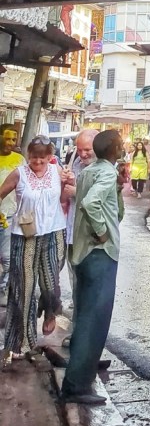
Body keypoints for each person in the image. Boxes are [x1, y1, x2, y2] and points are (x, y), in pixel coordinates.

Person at [61, 129, 124, 406]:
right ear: (114, 149)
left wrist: (117, 191)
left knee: (85, 316)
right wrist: (101, 232)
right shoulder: (106, 172)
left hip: (84, 253)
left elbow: (116, 212)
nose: (123, 148)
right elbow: (89, 203)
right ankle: (76, 386)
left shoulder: (89, 172)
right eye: (120, 145)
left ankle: (78, 377)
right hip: (101, 253)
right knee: (94, 320)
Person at [0, 136, 71, 366]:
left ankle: (50, 312)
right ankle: (22, 343)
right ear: (28, 155)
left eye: (43, 158)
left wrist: (68, 183)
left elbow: (63, 199)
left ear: (50, 156)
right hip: (25, 236)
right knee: (24, 288)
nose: (38, 162)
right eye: (34, 157)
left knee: (50, 281)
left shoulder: (56, 171)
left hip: (54, 232)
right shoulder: (19, 173)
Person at [61, 129, 99, 349]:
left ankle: (88, 339)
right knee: (76, 288)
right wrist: (65, 184)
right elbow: (64, 196)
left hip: (92, 239)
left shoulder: (104, 168)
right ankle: (77, 334)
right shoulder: (75, 163)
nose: (83, 154)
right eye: (80, 149)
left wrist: (76, 189)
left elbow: (100, 201)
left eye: (87, 150)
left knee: (90, 289)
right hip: (71, 234)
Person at [0, 124, 24, 307]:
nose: (10, 143)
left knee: (7, 259)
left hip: (9, 217)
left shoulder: (20, 160)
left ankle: (3, 290)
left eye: (13, 139)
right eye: (7, 138)